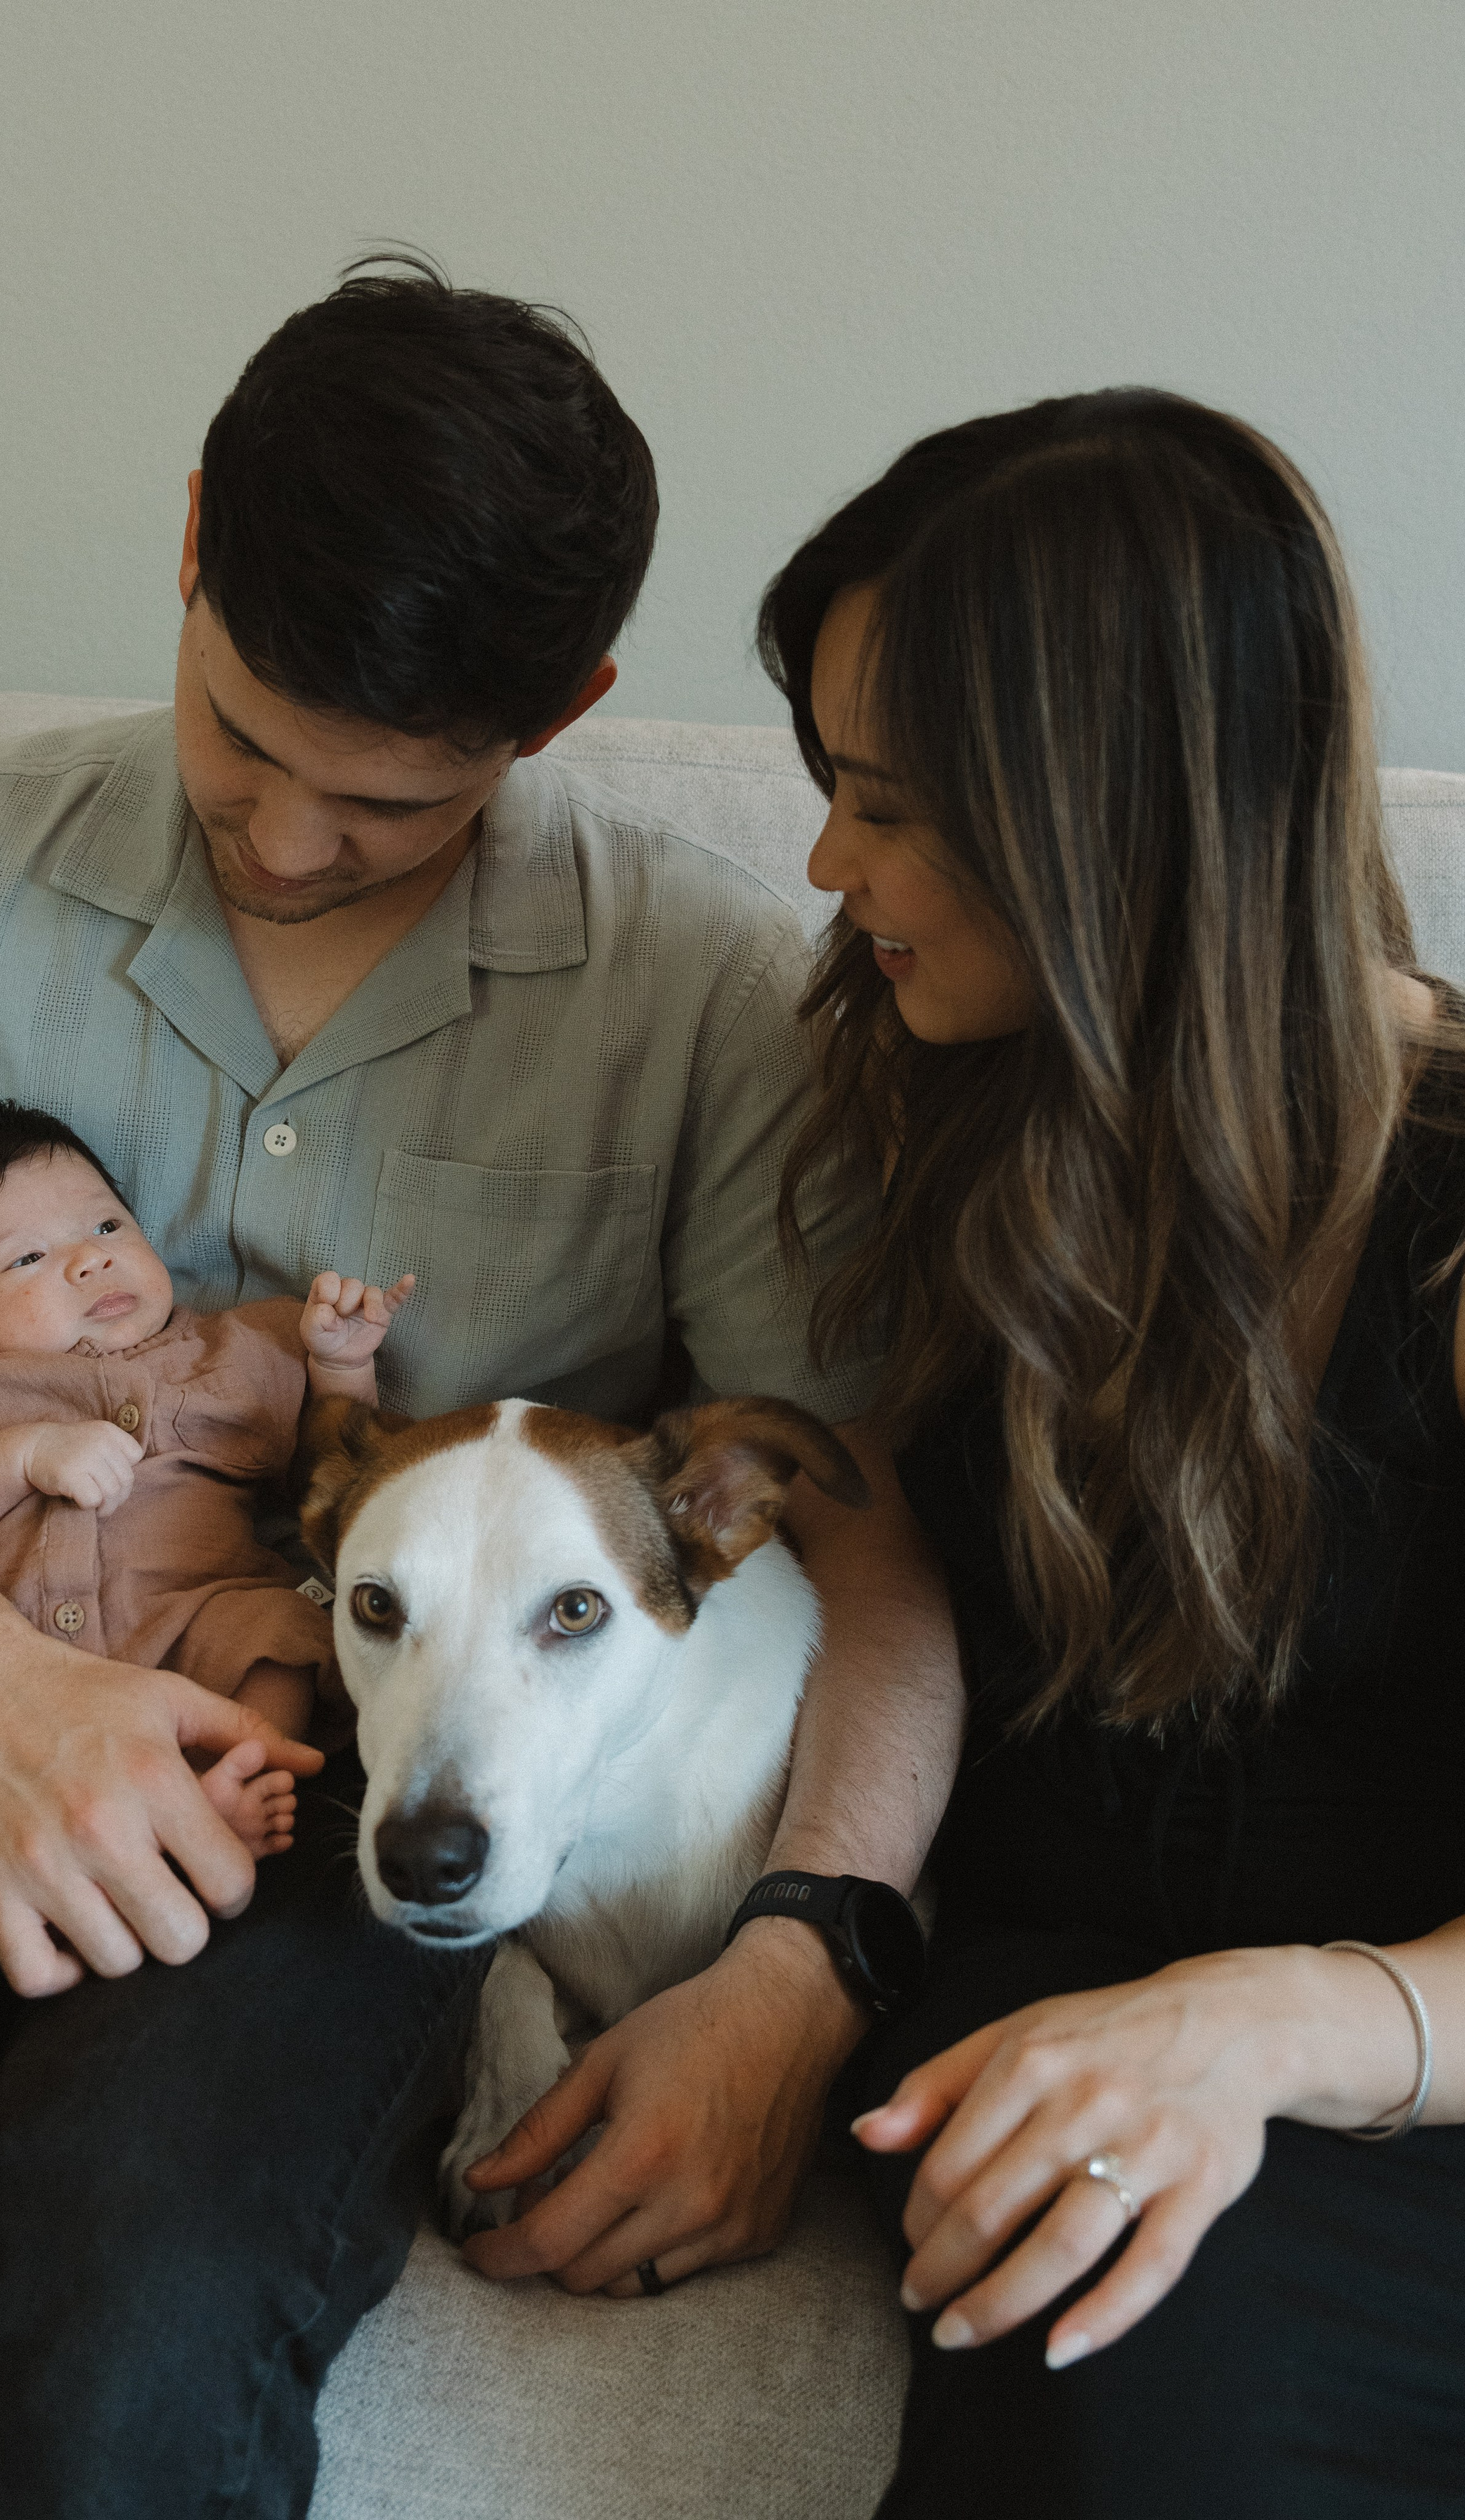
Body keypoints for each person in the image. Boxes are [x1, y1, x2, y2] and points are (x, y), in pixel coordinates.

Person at [0, 257, 957, 2519]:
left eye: (378, 804)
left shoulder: (702, 988)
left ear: (559, 708)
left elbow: (856, 1535)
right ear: (186, 544)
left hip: (335, 1752)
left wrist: (803, 1964)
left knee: (107, 2337)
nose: (276, 838)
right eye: (240, 736)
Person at [755, 387, 1465, 2516]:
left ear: (1106, 826)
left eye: (884, 804)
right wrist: (800, 1953)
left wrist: (1250, 2032)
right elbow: (864, 1543)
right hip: (1042, 2016)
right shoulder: (937, 1082)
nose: (820, 862)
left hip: (1394, 2077)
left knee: (1117, 2321)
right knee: (1051, 2229)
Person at [0, 1097, 419, 1913]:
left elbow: (335, 1467)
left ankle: (219, 1792)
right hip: (11, 1667)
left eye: (106, 1228)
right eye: (27, 1256)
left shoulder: (235, 1350)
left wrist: (342, 1366)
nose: (87, 1261)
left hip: (191, 1622)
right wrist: (25, 1454)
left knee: (279, 1640)